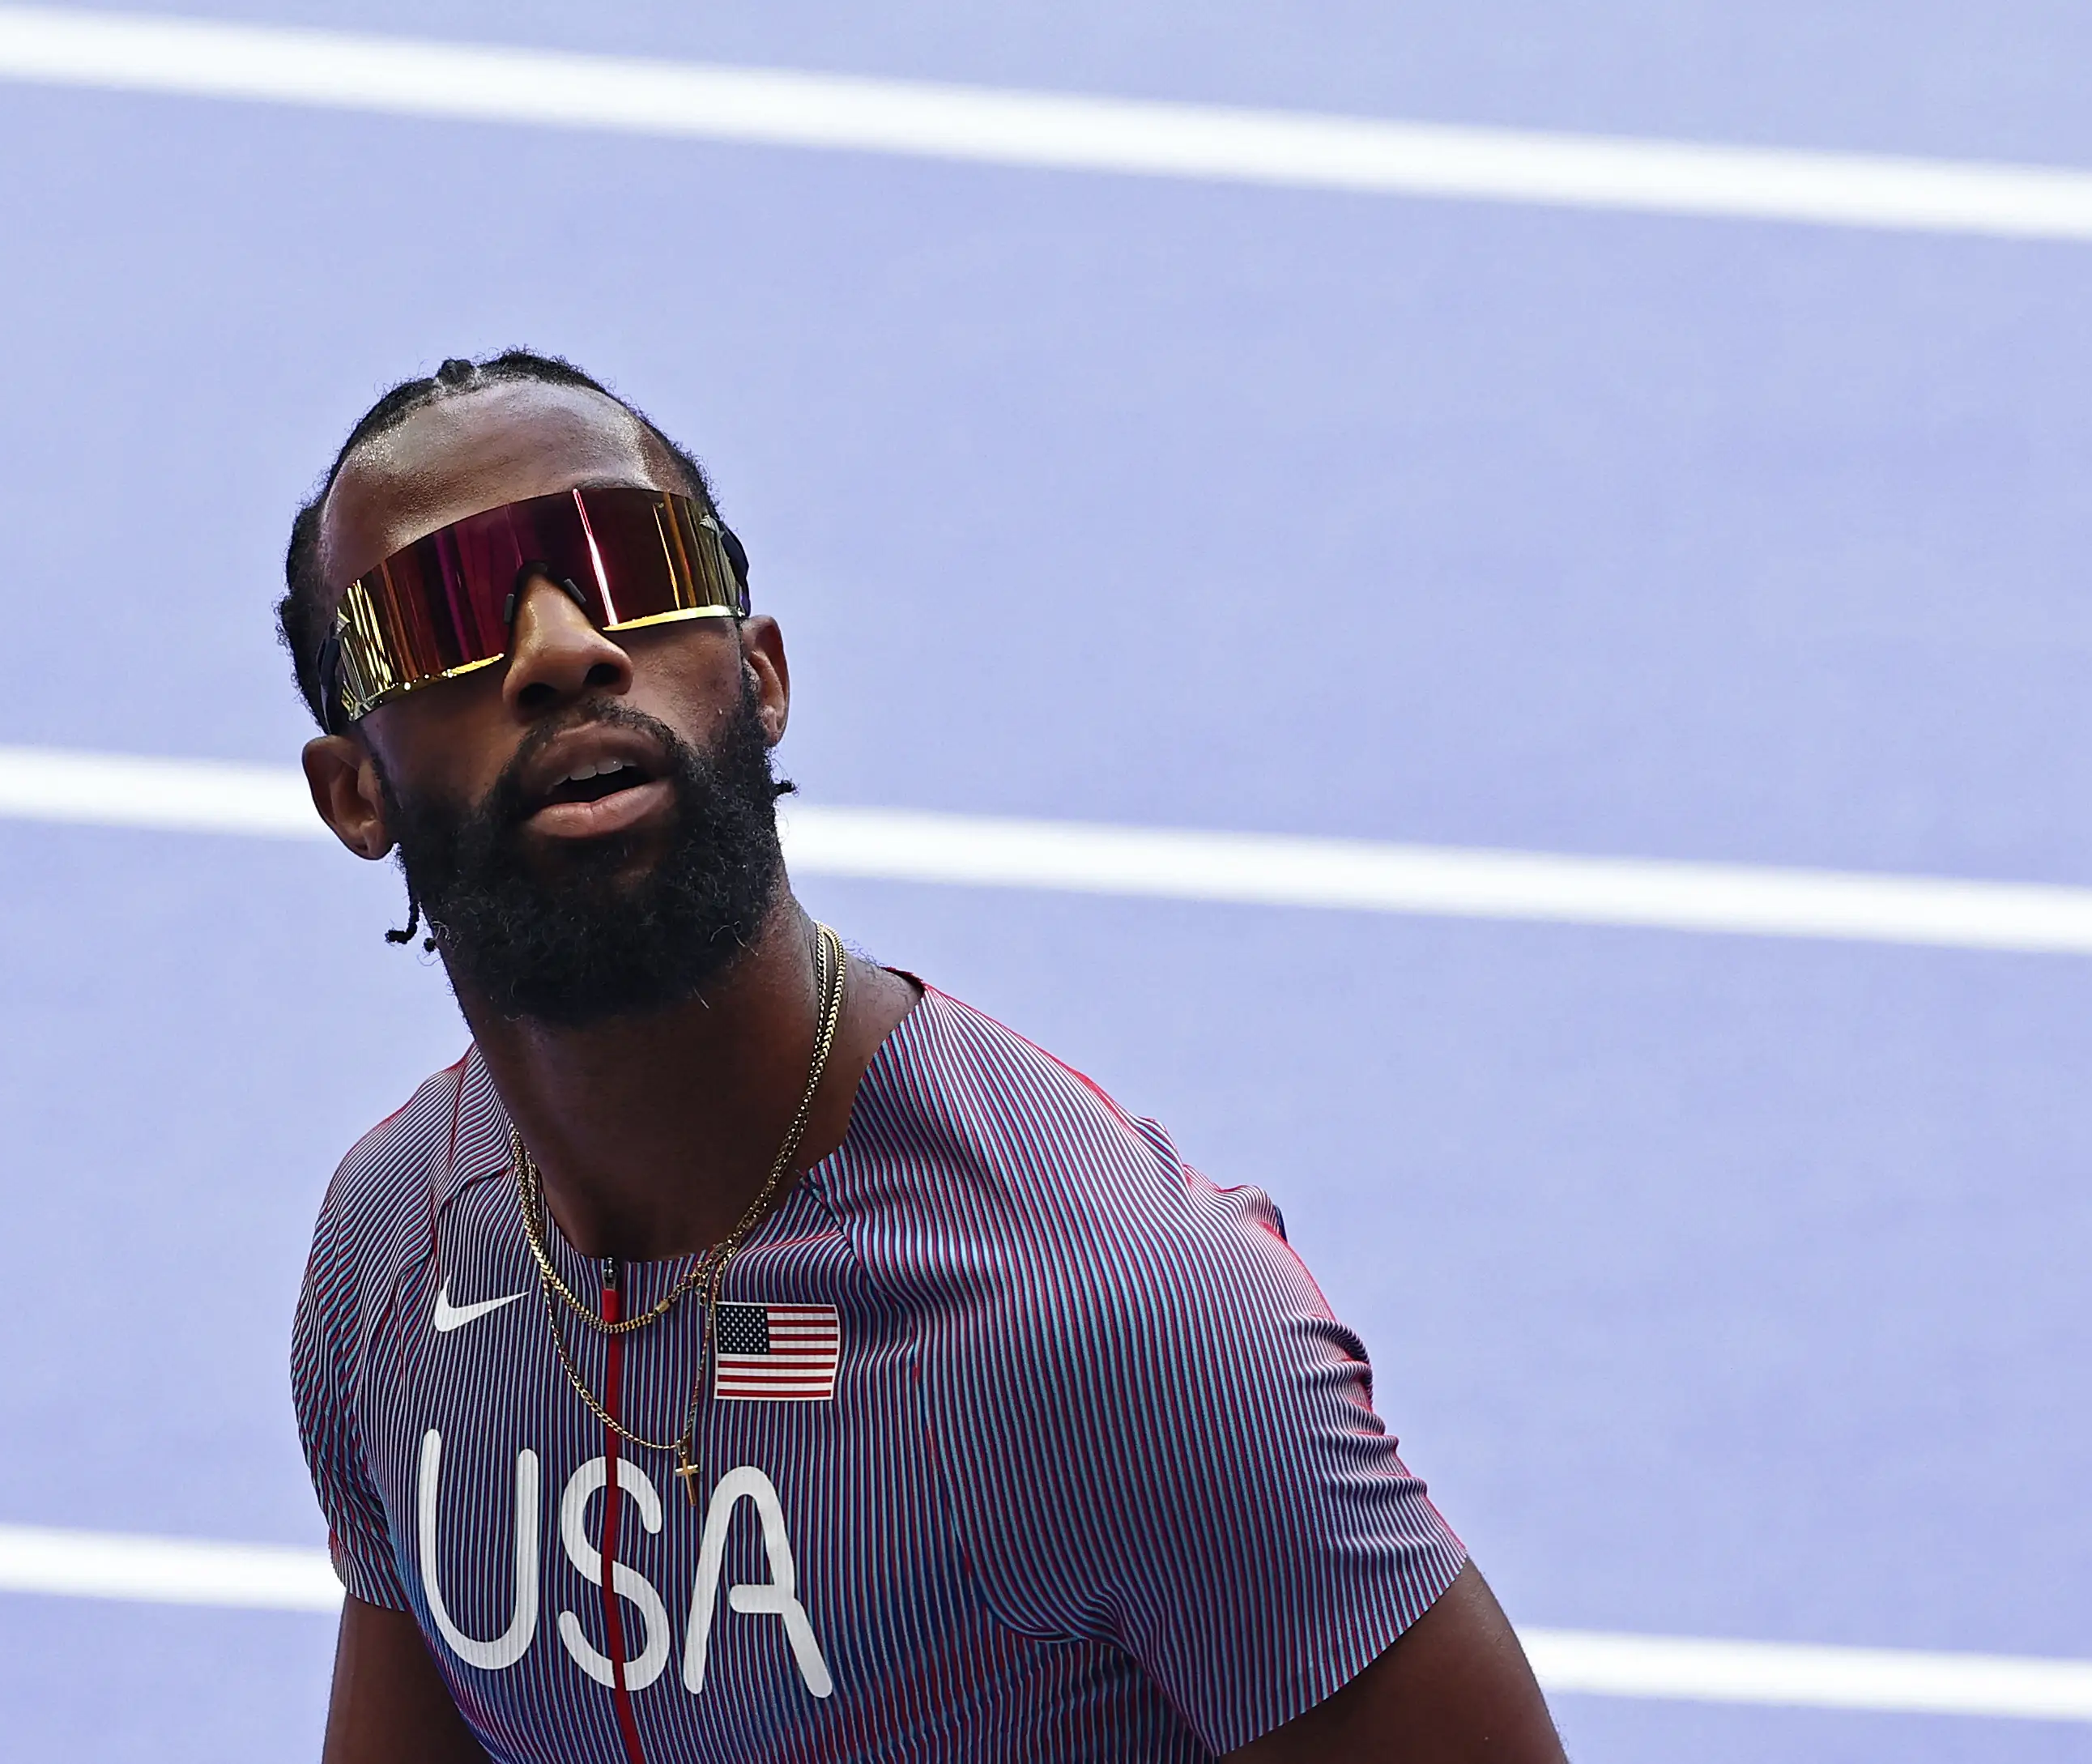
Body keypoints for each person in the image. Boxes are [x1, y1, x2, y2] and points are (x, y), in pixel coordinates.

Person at [283, 352, 1566, 1763]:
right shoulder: (388, 1258)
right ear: (356, 792)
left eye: (630, 566)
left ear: (761, 676)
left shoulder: (1111, 1318)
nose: (566, 646)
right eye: (448, 612)